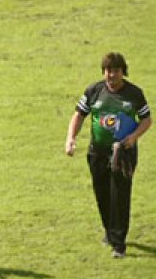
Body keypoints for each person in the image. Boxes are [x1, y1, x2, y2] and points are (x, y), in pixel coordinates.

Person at [65, 52, 151, 258]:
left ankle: (119, 243)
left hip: (124, 152)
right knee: (102, 193)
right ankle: (110, 231)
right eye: (108, 71)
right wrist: (70, 138)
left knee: (120, 195)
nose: (112, 75)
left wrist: (133, 137)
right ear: (103, 72)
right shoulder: (94, 91)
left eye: (116, 71)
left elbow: (146, 119)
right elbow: (79, 115)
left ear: (123, 72)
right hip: (98, 151)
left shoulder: (134, 94)